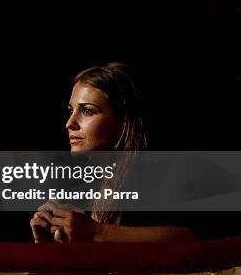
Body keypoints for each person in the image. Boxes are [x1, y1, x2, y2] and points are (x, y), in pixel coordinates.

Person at [30, 62, 197, 243]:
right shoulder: (86, 187)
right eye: (71, 110)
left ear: (123, 121)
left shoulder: (157, 173)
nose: (70, 123)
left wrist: (96, 232)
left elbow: (187, 239)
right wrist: (52, 242)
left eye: (87, 111)